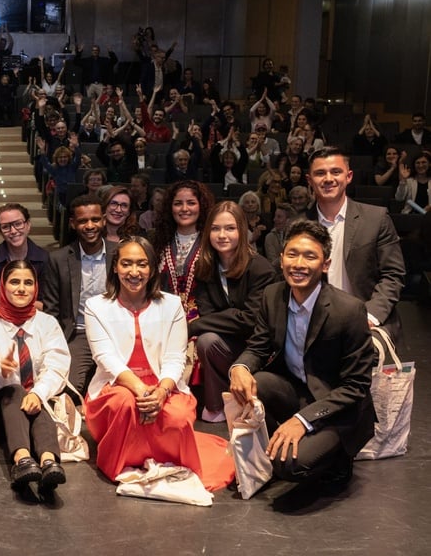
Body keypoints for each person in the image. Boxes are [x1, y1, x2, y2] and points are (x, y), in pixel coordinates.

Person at [229, 220, 375, 485]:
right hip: (298, 390)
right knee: (255, 381)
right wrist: (239, 367)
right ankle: (289, 438)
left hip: (337, 405)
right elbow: (258, 347)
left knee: (288, 466)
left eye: (310, 256)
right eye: (292, 254)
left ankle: (338, 457)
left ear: (326, 264)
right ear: (281, 257)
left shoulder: (349, 310)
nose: (298, 264)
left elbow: (357, 386)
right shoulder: (272, 295)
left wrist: (303, 420)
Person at [83, 237, 235, 490]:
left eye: (142, 264)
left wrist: (161, 391)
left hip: (163, 386)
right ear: (115, 267)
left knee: (176, 416)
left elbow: (176, 357)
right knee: (125, 404)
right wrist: (142, 391)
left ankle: (163, 458)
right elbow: (105, 357)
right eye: (127, 264)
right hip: (116, 388)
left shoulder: (172, 304)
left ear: (152, 269)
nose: (134, 272)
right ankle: (120, 463)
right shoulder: (96, 306)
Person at [0, 261, 70, 492]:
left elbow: (57, 366)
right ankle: (22, 459)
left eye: (28, 283)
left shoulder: (47, 323)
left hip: (37, 408)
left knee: (38, 395)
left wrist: (37, 394)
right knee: (16, 389)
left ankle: (49, 462)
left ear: (36, 288)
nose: (21, 288)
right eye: (14, 282)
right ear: (3, 287)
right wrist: (2, 373)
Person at [305, 148, 405, 340]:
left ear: (348, 176)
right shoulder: (298, 225)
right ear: (309, 180)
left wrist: (370, 316)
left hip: (369, 322)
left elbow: (393, 275)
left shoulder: (376, 218)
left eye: (336, 172)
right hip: (316, 325)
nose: (328, 179)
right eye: (320, 173)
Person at [189, 202, 275, 422]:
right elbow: (208, 314)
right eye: (216, 228)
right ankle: (217, 408)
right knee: (207, 341)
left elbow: (250, 320)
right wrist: (230, 318)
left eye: (230, 228)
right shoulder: (204, 267)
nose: (222, 235)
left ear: (242, 231)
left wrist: (196, 325)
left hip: (257, 349)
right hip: (225, 342)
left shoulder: (260, 268)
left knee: (207, 337)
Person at [41, 195, 117, 398]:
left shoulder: (119, 254)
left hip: (116, 333)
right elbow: (52, 310)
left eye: (95, 219)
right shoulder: (58, 259)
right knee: (69, 391)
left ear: (103, 220)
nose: (90, 225)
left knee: (122, 388)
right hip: (79, 333)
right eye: (83, 221)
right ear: (73, 224)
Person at [153, 180, 215, 320]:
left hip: (202, 320)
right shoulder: (159, 241)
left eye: (191, 203)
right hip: (163, 317)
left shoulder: (211, 242)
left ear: (201, 207)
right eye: (178, 203)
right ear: (170, 208)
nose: (184, 208)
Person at [0, 203, 49, 317]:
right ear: (0, 231)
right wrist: (28, 300)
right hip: (0, 317)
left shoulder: (45, 259)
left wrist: (5, 297)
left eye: (18, 224)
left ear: (28, 225)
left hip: (35, 318)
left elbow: (46, 305)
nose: (13, 231)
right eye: (5, 227)